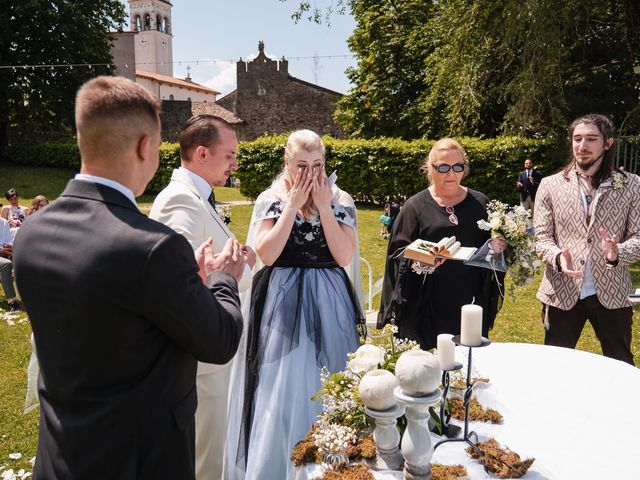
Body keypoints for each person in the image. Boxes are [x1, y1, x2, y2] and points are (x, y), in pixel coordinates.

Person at [12, 76, 245, 479]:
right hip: (139, 462)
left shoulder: (32, 232)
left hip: (60, 457)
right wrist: (223, 278)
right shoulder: (154, 248)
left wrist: (178, 283)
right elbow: (220, 339)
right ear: (144, 147)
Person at [224, 129, 364, 479]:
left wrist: (324, 207)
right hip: (281, 299)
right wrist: (291, 206)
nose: (311, 173)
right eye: (302, 165)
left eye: (317, 165)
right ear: (287, 163)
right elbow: (267, 255)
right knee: (281, 381)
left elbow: (345, 254)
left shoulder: (340, 197)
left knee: (330, 379)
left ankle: (331, 465)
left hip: (330, 297)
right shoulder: (270, 197)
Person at [149, 114, 255, 480]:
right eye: (229, 155)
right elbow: (180, 280)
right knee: (204, 461)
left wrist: (239, 259)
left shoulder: (197, 196)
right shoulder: (180, 200)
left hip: (211, 353)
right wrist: (226, 269)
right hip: (201, 362)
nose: (235, 164)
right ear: (202, 154)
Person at [378, 138, 506, 350]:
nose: (451, 173)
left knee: (468, 364)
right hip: (426, 305)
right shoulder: (414, 207)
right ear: (430, 168)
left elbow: (492, 252)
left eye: (458, 167)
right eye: (443, 167)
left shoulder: (481, 203)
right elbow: (396, 255)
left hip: (469, 301)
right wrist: (422, 260)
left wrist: (498, 247)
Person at [534, 113, 640, 365]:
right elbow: (541, 237)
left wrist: (618, 253)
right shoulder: (550, 185)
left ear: (608, 143)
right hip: (561, 291)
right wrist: (558, 257)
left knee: (620, 364)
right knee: (554, 365)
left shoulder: (632, 185)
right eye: (577, 138)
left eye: (591, 139)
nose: (582, 146)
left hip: (612, 292)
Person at [0, 217, 20, 311]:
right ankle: (11, 302)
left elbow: (9, 240)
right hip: (3, 254)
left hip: (5, 252)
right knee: (6, 264)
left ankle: (33, 297)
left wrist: (9, 246)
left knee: (26, 259)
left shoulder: (3, 222)